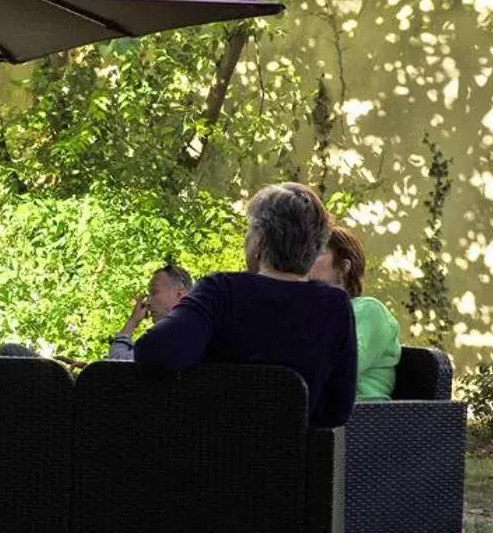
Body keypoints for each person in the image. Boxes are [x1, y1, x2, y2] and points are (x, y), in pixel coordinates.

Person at [133, 182, 357, 427]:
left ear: (259, 243)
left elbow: (156, 351)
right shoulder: (335, 306)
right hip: (288, 461)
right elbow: (337, 411)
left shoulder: (221, 291)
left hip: (203, 454)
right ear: (314, 250)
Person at [309, 223, 402, 400]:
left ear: (344, 267)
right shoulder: (315, 312)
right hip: (320, 415)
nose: (305, 259)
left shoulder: (368, 309)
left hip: (362, 418)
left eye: (317, 252)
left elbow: (341, 368)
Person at [104, 261, 193, 362]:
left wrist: (131, 322)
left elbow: (116, 366)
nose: (147, 302)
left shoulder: (165, 336)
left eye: (154, 292)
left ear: (180, 294)